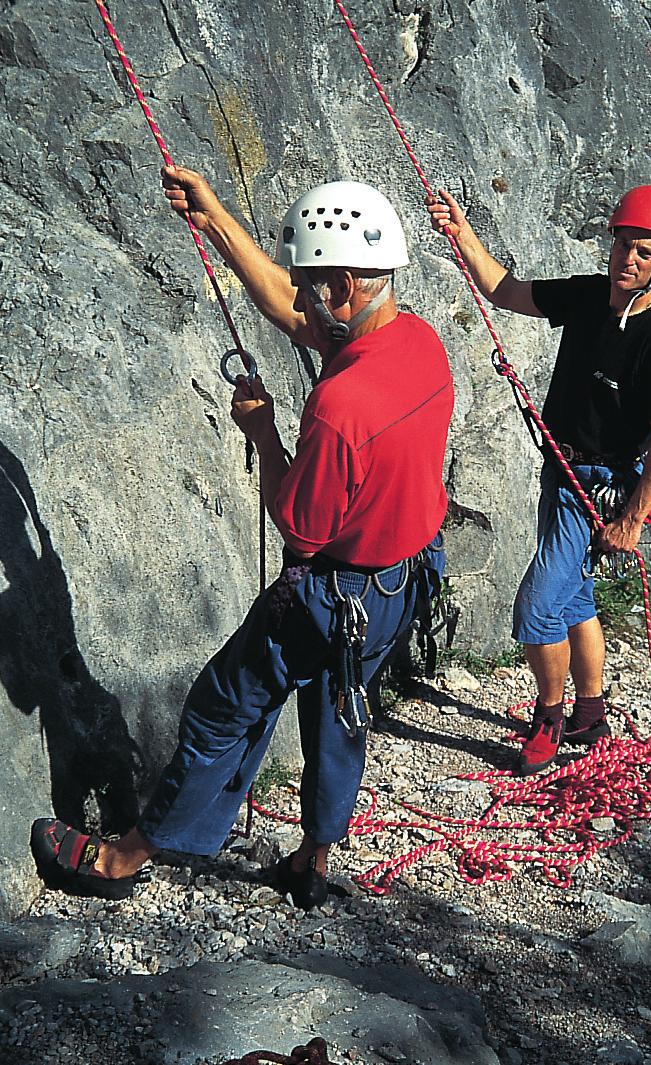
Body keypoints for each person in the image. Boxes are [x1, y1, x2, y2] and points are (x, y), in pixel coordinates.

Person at [31, 171, 454, 909]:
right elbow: (296, 316)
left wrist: (262, 432)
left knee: (223, 708)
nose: (304, 297)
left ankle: (123, 859)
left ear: (347, 284)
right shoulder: (416, 341)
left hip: (330, 594)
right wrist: (215, 219)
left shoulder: (340, 404)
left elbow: (300, 525)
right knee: (339, 715)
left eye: (315, 284)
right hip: (397, 584)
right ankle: (313, 861)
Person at [427, 183, 651, 775]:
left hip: (600, 482)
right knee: (573, 597)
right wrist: (461, 231)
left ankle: (548, 717)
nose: (629, 260)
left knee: (537, 607)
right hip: (563, 469)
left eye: (644, 253)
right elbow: (505, 290)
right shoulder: (589, 297)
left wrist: (630, 519)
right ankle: (591, 712)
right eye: (624, 245)